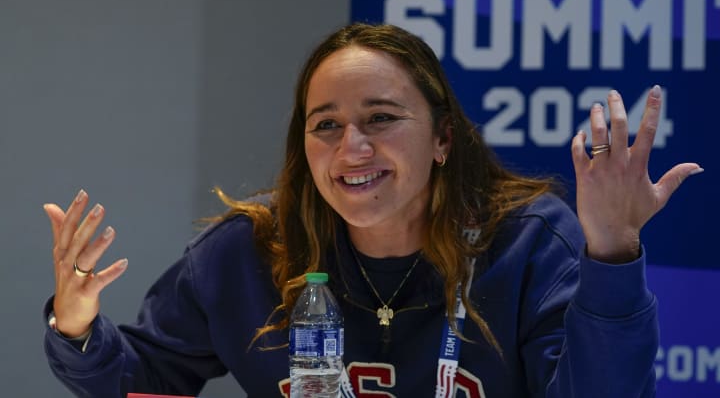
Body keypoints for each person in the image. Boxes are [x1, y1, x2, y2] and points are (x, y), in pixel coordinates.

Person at [43, 23, 702, 397]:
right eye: (325, 124)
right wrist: (76, 327)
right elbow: (141, 381)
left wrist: (613, 253)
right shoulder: (250, 248)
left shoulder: (528, 243)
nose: (352, 148)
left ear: (443, 138)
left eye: (381, 118)